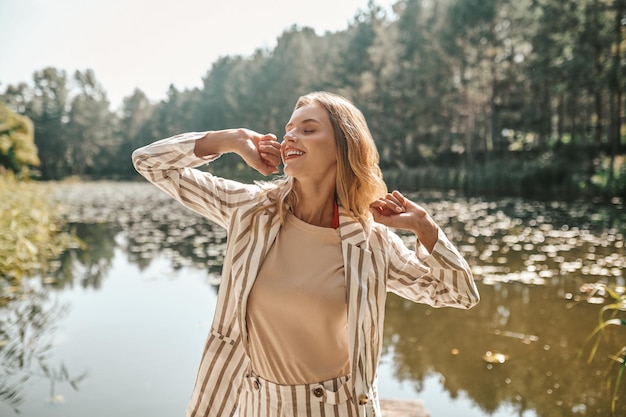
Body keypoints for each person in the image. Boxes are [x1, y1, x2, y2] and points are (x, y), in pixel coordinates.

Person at [132, 91, 479, 417]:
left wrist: (425, 228)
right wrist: (232, 139)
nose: (290, 138)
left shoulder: (370, 243)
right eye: (289, 130)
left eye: (308, 129)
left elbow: (459, 294)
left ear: (344, 147)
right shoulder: (250, 211)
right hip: (257, 404)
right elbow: (149, 162)